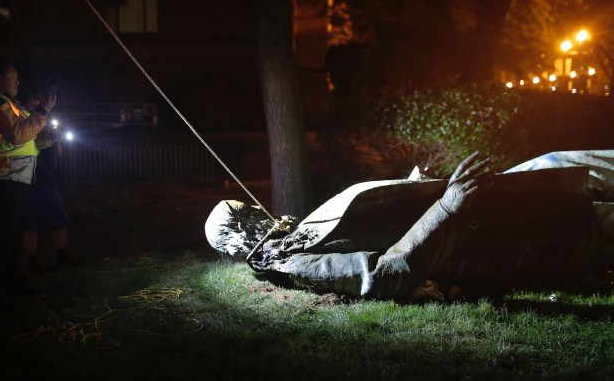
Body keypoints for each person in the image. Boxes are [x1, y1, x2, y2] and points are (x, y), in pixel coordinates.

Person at [204, 150, 614, 301]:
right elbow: (383, 277)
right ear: (238, 235)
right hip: (522, 233)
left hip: (510, 201)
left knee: (554, 162)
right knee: (592, 217)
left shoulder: (296, 235)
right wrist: (445, 207)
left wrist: (415, 188)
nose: (261, 211)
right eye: (249, 214)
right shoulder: (293, 261)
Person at [0, 61, 56, 303]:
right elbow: (18, 134)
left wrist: (46, 140)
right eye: (13, 77)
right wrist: (42, 112)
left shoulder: (9, 104)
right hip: (2, 178)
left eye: (18, 77)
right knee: (6, 235)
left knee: (14, 235)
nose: (18, 82)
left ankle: (12, 282)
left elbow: (25, 139)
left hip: (15, 177)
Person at [22, 117, 80, 274]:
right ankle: (32, 261)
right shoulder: (26, 127)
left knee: (60, 220)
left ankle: (61, 257)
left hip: (47, 182)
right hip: (29, 183)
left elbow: (58, 156)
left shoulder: (50, 133)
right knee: (30, 224)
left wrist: (57, 141)